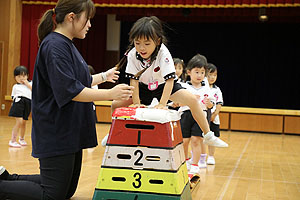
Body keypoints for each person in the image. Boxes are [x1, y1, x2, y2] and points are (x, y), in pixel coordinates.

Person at [0, 0, 133, 199]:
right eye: (87, 20)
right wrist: (109, 94)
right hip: (57, 129)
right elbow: (71, 90)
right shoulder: (55, 46)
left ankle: (6, 178)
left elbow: (81, 80)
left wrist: (104, 76)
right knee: (51, 195)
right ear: (71, 17)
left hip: (69, 129)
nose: (89, 25)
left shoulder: (66, 45)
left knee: (65, 191)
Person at [109, 16, 228, 159]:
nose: (141, 48)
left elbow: (170, 81)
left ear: (157, 41)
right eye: (137, 43)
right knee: (116, 104)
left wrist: (162, 104)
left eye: (147, 43)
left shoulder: (163, 53)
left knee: (192, 100)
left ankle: (208, 134)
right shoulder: (133, 54)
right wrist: (136, 102)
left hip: (164, 86)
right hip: (142, 88)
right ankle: (114, 134)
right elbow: (133, 80)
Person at [178, 54, 214, 172]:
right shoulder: (183, 86)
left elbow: (210, 105)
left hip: (200, 115)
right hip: (186, 115)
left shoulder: (207, 88)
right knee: (184, 141)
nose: (199, 75)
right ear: (189, 72)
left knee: (196, 140)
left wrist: (209, 104)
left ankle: (194, 164)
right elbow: (179, 104)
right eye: (197, 72)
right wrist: (189, 100)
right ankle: (183, 163)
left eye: (202, 72)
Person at [8, 66, 32, 148]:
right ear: (15, 78)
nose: (21, 78)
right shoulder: (15, 86)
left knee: (24, 122)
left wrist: (27, 84)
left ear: (27, 76)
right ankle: (13, 140)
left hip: (28, 103)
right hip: (19, 102)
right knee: (19, 121)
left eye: (24, 76)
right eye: (19, 76)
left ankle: (21, 139)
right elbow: (13, 97)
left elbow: (34, 90)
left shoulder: (31, 83)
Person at [207, 63, 224, 165]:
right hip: (202, 117)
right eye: (210, 75)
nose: (212, 77)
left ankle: (211, 156)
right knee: (198, 138)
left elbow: (219, 104)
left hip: (213, 118)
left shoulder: (217, 90)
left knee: (212, 138)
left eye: (214, 75)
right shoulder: (201, 88)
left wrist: (214, 115)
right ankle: (199, 156)